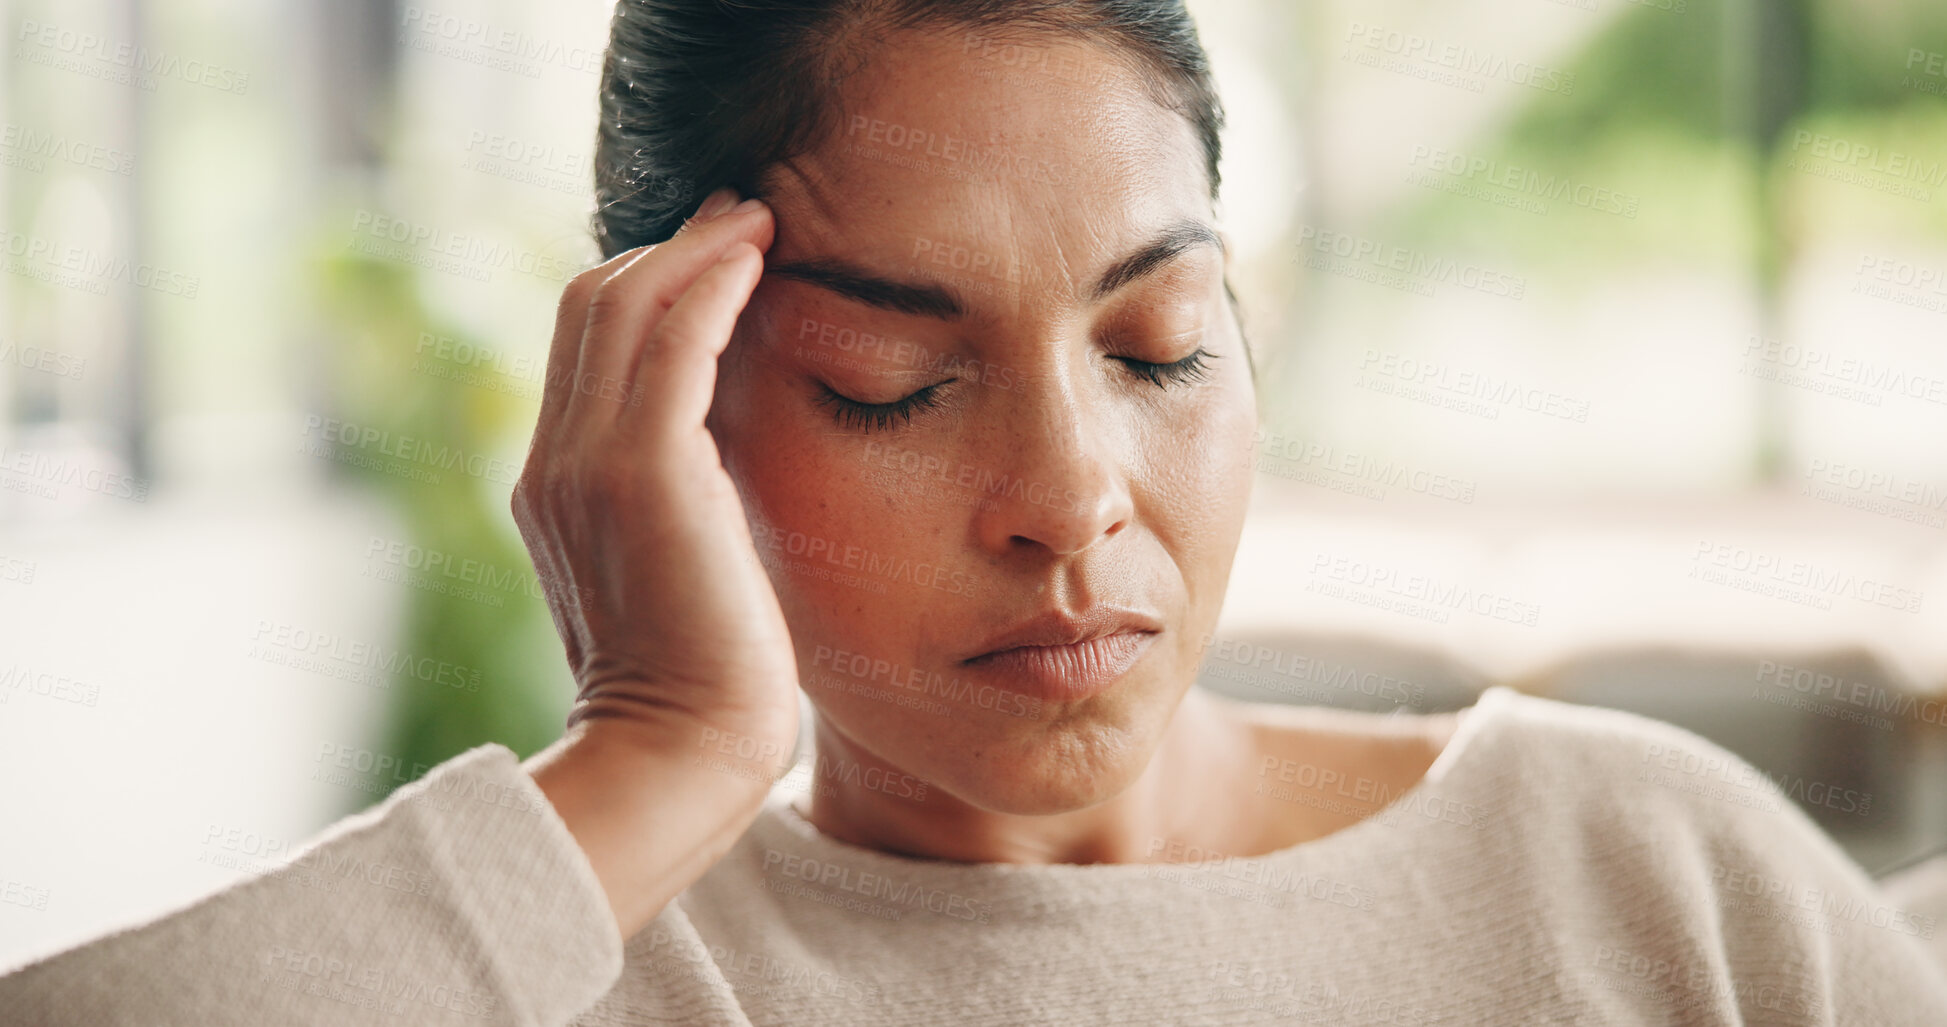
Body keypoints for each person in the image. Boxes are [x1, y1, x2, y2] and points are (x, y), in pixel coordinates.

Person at [4, 1, 1945, 1023]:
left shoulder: (1631, 871)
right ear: (661, 409)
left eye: (1160, 342)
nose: (1070, 497)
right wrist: (657, 753)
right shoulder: (589, 973)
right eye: (893, 388)